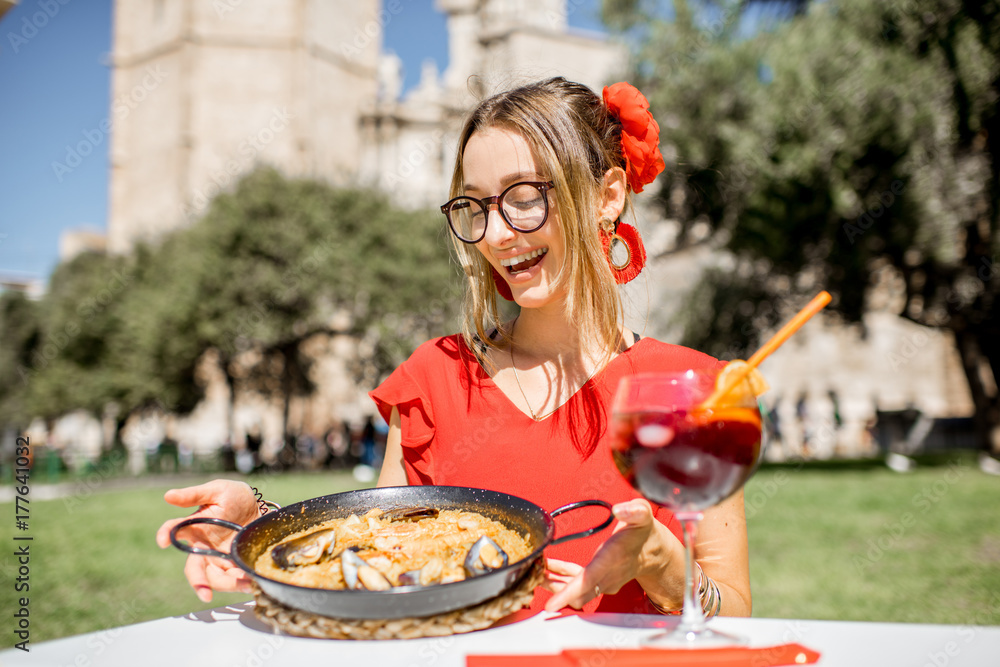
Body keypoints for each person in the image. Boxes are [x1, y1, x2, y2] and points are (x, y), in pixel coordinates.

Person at [155, 77, 751, 618]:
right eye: (474, 206)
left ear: (608, 195)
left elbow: (737, 618)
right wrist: (259, 529)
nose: (494, 234)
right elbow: (373, 562)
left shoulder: (697, 388)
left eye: (524, 197)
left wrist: (664, 567)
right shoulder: (434, 380)